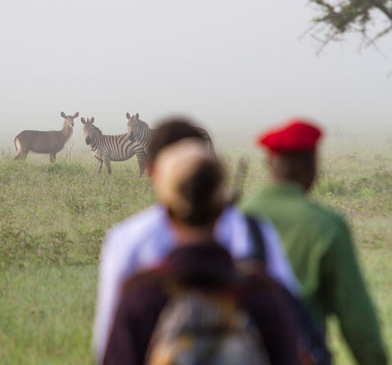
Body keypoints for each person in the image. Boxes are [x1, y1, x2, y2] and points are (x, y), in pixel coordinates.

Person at [93, 118, 300, 364]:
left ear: (167, 210)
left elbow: (108, 347)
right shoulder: (261, 290)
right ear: (222, 203)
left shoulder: (141, 296)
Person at [241, 119, 388, 364]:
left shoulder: (233, 217)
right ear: (312, 166)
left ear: (269, 164)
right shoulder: (327, 225)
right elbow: (357, 321)